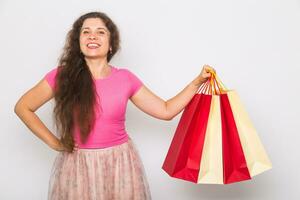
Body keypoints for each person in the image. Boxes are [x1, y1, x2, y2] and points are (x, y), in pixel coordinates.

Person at [14, 11, 215, 200]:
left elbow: (166, 110)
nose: (92, 36)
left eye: (100, 32)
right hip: (78, 165)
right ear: (78, 43)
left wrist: (196, 83)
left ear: (111, 44)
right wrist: (54, 142)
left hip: (120, 163)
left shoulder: (125, 79)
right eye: (86, 32)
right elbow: (23, 107)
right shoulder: (61, 76)